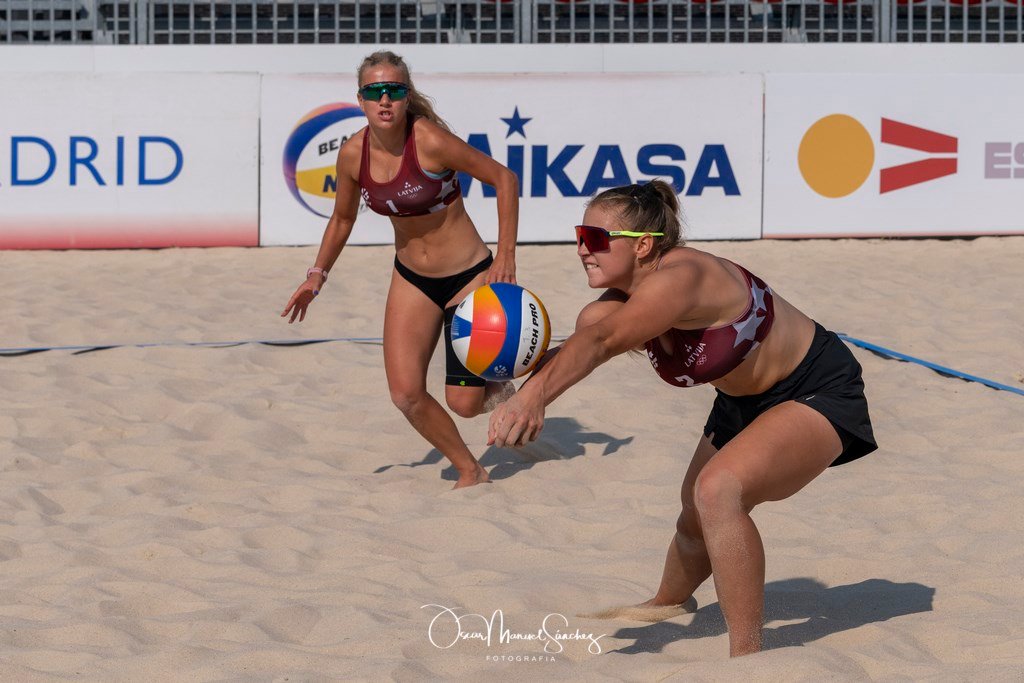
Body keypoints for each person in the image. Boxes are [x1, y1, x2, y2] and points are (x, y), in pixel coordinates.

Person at [488, 180, 876, 655]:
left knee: (717, 491)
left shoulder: (682, 277)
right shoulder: (615, 305)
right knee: (694, 509)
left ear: (643, 246)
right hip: (741, 401)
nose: (583, 250)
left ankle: (748, 655)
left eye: (595, 238)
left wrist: (535, 399)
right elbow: (582, 344)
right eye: (579, 237)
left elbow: (602, 344)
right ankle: (668, 602)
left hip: (818, 387)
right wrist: (500, 384)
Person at [283, 50, 519, 489]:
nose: (384, 99)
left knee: (464, 404)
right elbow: (342, 219)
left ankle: (512, 382)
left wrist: (505, 255)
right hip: (412, 279)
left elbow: (504, 179)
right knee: (405, 394)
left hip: (469, 275)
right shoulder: (353, 154)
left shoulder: (428, 140)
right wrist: (317, 274)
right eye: (374, 91)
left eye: (394, 89)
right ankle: (470, 470)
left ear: (407, 96)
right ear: (360, 99)